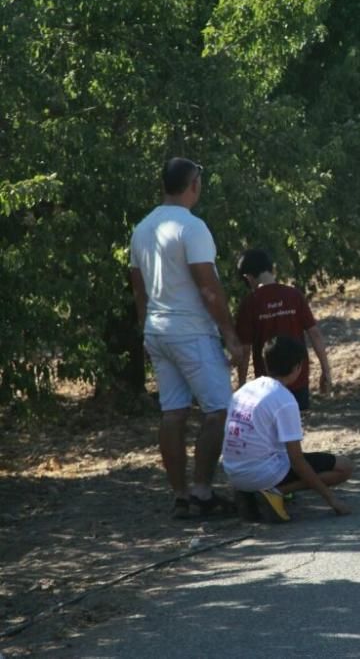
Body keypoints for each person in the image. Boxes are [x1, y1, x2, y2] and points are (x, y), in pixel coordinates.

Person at [129, 157, 242, 519]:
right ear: (193, 184)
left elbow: (138, 288)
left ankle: (179, 494)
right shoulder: (191, 227)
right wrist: (230, 335)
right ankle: (202, 491)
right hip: (190, 329)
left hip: (157, 328)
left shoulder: (143, 228)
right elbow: (208, 287)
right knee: (219, 409)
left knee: (173, 411)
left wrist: (146, 329)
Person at [223, 336, 353, 521]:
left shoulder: (245, 390)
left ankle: (250, 494)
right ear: (298, 367)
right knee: (344, 467)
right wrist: (332, 500)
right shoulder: (284, 399)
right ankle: (275, 492)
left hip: (234, 473)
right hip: (263, 474)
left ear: (265, 363)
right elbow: (297, 460)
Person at [235, 248, 332, 412]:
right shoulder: (294, 295)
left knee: (272, 428)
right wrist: (326, 370)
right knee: (297, 423)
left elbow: (245, 350)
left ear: (248, 277)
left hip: (268, 383)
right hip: (297, 375)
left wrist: (242, 385)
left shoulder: (250, 303)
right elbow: (314, 333)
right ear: (272, 269)